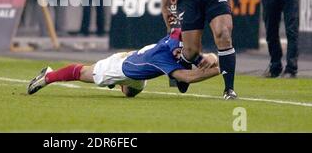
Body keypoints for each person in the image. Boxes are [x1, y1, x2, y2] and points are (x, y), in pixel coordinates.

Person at [27, 29, 220, 96]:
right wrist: (220, 68)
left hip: (138, 65)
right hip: (121, 67)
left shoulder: (179, 45)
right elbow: (186, 76)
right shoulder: (165, 57)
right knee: (85, 73)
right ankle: (48, 76)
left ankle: (120, 84)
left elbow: (192, 53)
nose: (182, 51)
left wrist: (209, 57)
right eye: (179, 48)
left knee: (131, 93)